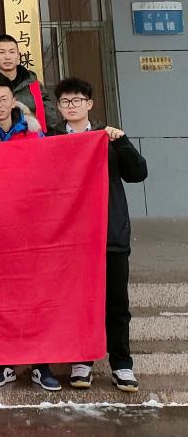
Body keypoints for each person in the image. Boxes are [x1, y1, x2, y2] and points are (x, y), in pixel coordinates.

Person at [57, 77, 148, 393]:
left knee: (117, 303)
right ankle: (82, 361)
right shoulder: (53, 141)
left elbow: (138, 173)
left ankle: (122, 364)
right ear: (59, 107)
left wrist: (122, 142)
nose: (72, 106)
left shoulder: (107, 138)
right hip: (71, 238)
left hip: (110, 235)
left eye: (77, 100)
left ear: (89, 104)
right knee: (78, 302)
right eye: (66, 101)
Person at [0, 77, 58, 392]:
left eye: (4, 99)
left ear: (14, 101)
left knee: (35, 297)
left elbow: (50, 174)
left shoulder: (34, 135)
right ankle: (3, 363)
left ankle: (40, 364)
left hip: (30, 230)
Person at [0, 34, 60, 135]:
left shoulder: (34, 85)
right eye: (2, 52)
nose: (7, 57)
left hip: (32, 140)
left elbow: (50, 119)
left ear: (18, 55)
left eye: (12, 52)